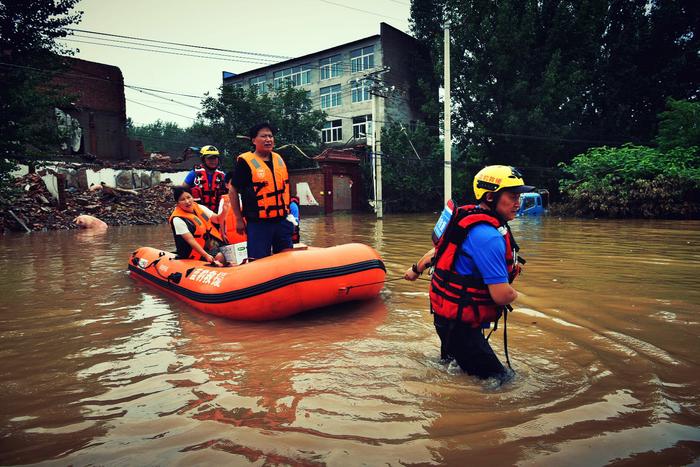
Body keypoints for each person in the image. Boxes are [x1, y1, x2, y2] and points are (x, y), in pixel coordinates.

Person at [404, 165, 534, 382]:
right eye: (512, 196)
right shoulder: (489, 237)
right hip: (461, 326)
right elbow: (501, 295)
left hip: (444, 318)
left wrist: (415, 270)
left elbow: (439, 251)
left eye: (518, 196)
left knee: (452, 368)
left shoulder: (465, 218)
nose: (517, 202)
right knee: (503, 381)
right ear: (491, 196)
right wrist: (526, 299)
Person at [227, 122, 293, 260]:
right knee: (258, 260)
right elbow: (233, 190)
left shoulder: (278, 159)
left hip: (282, 220)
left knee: (286, 258)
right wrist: (239, 219)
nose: (268, 139)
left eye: (270, 136)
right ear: (253, 140)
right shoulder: (245, 162)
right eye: (263, 136)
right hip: (259, 222)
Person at [169, 186, 226, 266]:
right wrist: (206, 256)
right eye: (182, 199)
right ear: (177, 203)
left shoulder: (199, 207)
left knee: (227, 253)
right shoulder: (177, 219)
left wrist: (224, 211)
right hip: (191, 253)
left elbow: (217, 219)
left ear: (193, 197)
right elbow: (190, 240)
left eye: (189, 197)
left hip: (207, 247)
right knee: (220, 257)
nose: (187, 201)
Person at [183, 145, 227, 213]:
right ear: (203, 160)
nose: (213, 161)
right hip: (198, 212)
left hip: (217, 213)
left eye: (215, 158)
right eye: (210, 158)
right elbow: (182, 191)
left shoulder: (222, 175)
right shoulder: (194, 174)